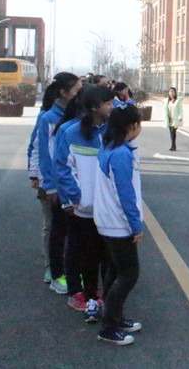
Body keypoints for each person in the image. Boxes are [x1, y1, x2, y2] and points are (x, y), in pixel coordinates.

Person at [55, 85, 114, 317]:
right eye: (108, 103)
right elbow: (62, 167)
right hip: (83, 209)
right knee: (83, 251)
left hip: (107, 208)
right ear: (93, 107)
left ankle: (103, 296)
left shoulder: (113, 131)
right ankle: (82, 293)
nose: (112, 106)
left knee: (106, 254)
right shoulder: (71, 132)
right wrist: (74, 198)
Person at [94, 105, 144, 345]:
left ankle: (115, 317)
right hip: (118, 224)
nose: (140, 128)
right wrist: (136, 226)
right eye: (139, 123)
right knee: (128, 274)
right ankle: (108, 327)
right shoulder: (121, 154)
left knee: (114, 273)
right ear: (131, 126)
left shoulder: (111, 148)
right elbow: (126, 194)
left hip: (108, 221)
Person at [37, 72, 82, 294]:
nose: (79, 95)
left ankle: (73, 273)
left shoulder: (78, 118)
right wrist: (51, 187)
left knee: (75, 235)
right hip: (57, 187)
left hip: (75, 187)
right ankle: (56, 274)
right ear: (63, 92)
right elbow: (46, 155)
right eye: (76, 91)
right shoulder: (48, 118)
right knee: (57, 232)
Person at [27, 84, 59, 284]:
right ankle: (50, 264)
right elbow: (35, 146)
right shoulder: (46, 117)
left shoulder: (78, 117)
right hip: (48, 181)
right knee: (50, 224)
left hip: (68, 182)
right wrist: (35, 175)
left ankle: (64, 264)